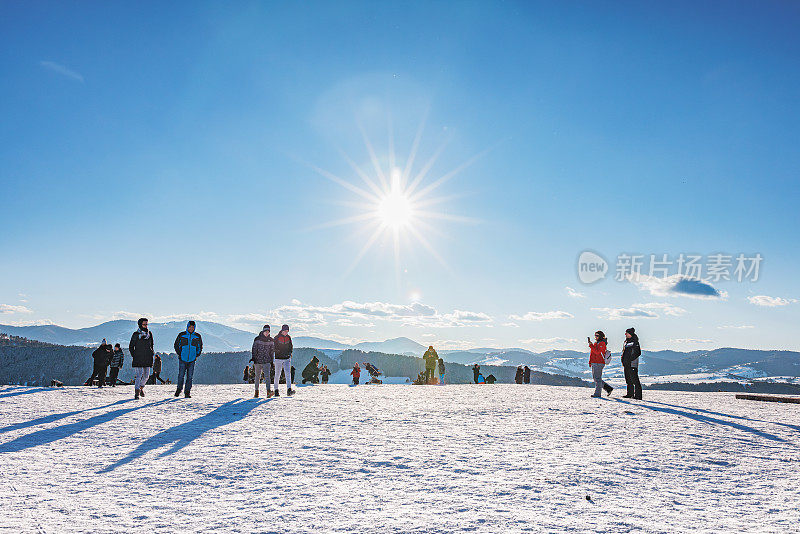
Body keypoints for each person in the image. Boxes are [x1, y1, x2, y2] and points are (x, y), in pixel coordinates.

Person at [173, 320, 203, 398]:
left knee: (190, 377)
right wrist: (179, 354)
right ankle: (178, 390)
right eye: (190, 327)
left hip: (192, 359)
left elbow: (200, 347)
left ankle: (187, 392)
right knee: (181, 375)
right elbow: (176, 345)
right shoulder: (182, 335)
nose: (191, 328)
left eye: (192, 327)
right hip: (182, 359)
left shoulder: (197, 336)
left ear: (194, 328)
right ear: (187, 327)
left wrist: (197, 355)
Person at [129, 318, 154, 399]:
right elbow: (131, 346)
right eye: (144, 324)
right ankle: (136, 393)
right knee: (139, 375)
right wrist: (134, 355)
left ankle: (141, 388)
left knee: (146, 376)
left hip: (147, 357)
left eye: (147, 324)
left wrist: (151, 353)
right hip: (138, 357)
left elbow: (151, 345)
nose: (146, 326)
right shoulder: (136, 334)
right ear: (140, 324)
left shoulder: (149, 333)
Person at [250, 325, 275, 398]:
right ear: (263, 331)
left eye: (268, 332)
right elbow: (254, 349)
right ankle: (256, 392)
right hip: (258, 361)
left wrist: (271, 361)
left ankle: (268, 392)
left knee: (267, 377)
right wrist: (254, 358)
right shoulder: (257, 339)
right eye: (266, 331)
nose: (267, 333)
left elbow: (272, 351)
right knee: (257, 376)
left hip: (267, 361)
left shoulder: (271, 340)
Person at [589, 331, 614, 398]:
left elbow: (597, 352)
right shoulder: (596, 343)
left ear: (600, 336)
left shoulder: (602, 343)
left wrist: (591, 345)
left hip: (599, 362)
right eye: (595, 335)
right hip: (595, 362)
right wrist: (590, 361)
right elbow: (593, 353)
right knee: (596, 378)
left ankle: (597, 394)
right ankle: (608, 388)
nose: (596, 337)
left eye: (597, 335)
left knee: (597, 378)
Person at [621, 327, 642, 400]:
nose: (625, 334)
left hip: (632, 364)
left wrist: (630, 359)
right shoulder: (626, 342)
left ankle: (638, 396)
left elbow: (638, 352)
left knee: (635, 380)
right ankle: (630, 394)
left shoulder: (635, 342)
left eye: (626, 333)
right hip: (626, 364)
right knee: (628, 380)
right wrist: (623, 360)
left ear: (630, 334)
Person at [273, 324, 294, 396]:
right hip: (278, 358)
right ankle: (276, 390)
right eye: (285, 331)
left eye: (287, 331)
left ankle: (289, 390)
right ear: (282, 330)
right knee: (277, 374)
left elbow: (291, 346)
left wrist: (290, 353)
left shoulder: (288, 337)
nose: (286, 332)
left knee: (288, 374)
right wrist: (279, 352)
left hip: (287, 358)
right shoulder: (276, 338)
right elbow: (274, 348)